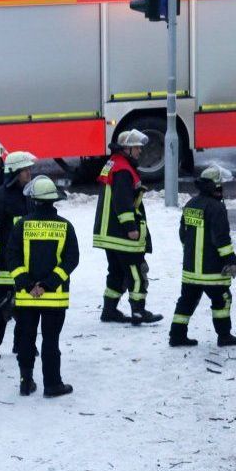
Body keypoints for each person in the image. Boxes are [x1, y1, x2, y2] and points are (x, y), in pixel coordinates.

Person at [8, 176, 78, 398]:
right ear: (53, 201)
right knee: (50, 341)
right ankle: (52, 384)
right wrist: (48, 285)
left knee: (26, 339)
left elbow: (12, 257)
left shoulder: (21, 226)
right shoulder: (65, 226)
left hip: (26, 297)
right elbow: (71, 260)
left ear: (34, 201)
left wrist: (28, 285)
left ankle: (25, 382)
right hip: (54, 298)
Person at [93, 130, 163, 325]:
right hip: (122, 234)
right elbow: (122, 202)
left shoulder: (113, 164)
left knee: (116, 272)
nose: (140, 150)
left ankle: (109, 310)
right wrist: (130, 227)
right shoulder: (123, 170)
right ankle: (139, 311)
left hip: (109, 233)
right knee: (136, 272)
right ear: (127, 149)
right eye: (137, 147)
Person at [169, 165, 236, 348]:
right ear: (215, 187)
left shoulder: (190, 204)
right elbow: (221, 239)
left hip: (190, 270)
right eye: (220, 186)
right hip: (212, 271)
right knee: (222, 300)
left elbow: (183, 235)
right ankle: (224, 336)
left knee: (186, 302)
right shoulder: (217, 208)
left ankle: (177, 336)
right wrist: (231, 261)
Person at [0, 151, 36, 361]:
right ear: (15, 172)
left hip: (25, 263)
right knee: (0, 308)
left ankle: (21, 345)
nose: (29, 173)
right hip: (4, 265)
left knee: (25, 307)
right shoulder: (0, 197)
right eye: (25, 170)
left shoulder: (30, 194)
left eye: (29, 169)